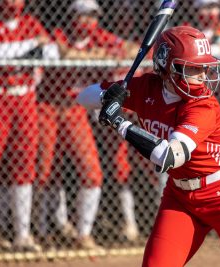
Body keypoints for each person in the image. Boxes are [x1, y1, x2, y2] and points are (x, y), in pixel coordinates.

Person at [77, 26, 220, 267]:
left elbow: (170, 156)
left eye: (204, 67)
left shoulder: (203, 106)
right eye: (193, 68)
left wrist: (120, 123)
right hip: (181, 197)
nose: (203, 76)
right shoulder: (146, 88)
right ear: (168, 68)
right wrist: (109, 95)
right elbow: (83, 96)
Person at [36, 0, 139, 249]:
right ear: (72, 17)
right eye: (82, 16)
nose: (88, 22)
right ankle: (43, 229)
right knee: (46, 170)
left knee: (91, 172)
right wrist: (101, 55)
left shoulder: (99, 37)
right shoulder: (60, 35)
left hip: (75, 110)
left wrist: (106, 52)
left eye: (92, 16)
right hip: (49, 107)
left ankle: (84, 233)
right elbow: (64, 52)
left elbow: (132, 48)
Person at [0, 0, 59, 252]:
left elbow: (53, 54)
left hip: (25, 99)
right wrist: (32, 47)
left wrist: (18, 51)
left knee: (24, 164)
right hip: (1, 97)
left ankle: (22, 235)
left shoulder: (30, 23)